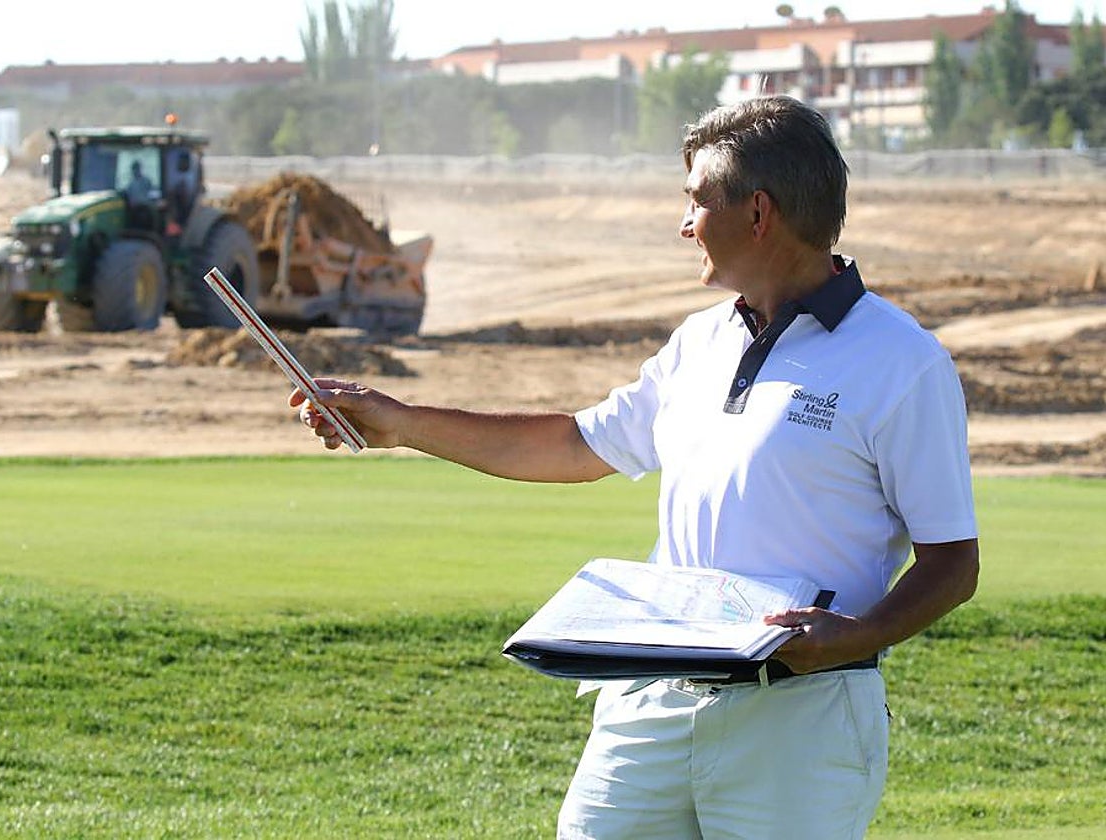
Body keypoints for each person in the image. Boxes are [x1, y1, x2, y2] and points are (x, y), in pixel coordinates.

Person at [290, 95, 979, 840]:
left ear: (758, 214)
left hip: (802, 721)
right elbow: (574, 446)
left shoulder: (903, 362)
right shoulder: (699, 341)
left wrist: (855, 635)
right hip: (651, 701)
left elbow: (953, 563)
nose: (683, 224)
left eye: (696, 202)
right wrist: (399, 423)